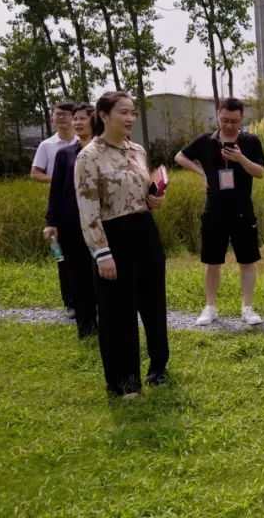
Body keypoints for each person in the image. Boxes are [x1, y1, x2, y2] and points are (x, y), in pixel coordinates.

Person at [75, 91, 168, 399]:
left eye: (132, 113)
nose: (130, 118)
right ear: (103, 116)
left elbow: (138, 191)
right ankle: (125, 384)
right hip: (113, 237)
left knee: (154, 304)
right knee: (118, 313)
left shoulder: (137, 150)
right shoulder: (89, 156)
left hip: (146, 231)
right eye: (123, 112)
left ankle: (159, 369)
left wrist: (154, 198)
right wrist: (102, 253)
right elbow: (88, 209)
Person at [175, 97, 264, 327]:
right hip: (214, 211)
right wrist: (201, 172)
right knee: (212, 261)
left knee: (247, 260)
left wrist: (241, 158)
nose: (229, 125)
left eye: (234, 121)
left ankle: (247, 307)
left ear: (242, 119)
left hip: (242, 211)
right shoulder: (205, 141)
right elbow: (180, 156)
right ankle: (210, 307)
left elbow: (260, 172)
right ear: (218, 115)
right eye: (225, 120)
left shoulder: (250, 141)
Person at [43, 103, 98, 339]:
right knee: (77, 274)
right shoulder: (64, 154)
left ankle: (107, 321)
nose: (77, 122)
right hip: (71, 224)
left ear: (95, 121)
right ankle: (86, 326)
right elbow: (56, 191)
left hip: (100, 224)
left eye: (82, 118)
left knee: (101, 272)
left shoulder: (104, 150)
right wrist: (51, 221)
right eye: (75, 118)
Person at [31, 101, 78, 317]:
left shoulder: (84, 141)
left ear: (74, 118)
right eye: (57, 114)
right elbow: (35, 173)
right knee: (62, 256)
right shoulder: (47, 145)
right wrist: (60, 179)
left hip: (82, 205)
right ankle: (70, 302)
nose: (61, 117)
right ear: (52, 118)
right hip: (58, 205)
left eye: (66, 114)